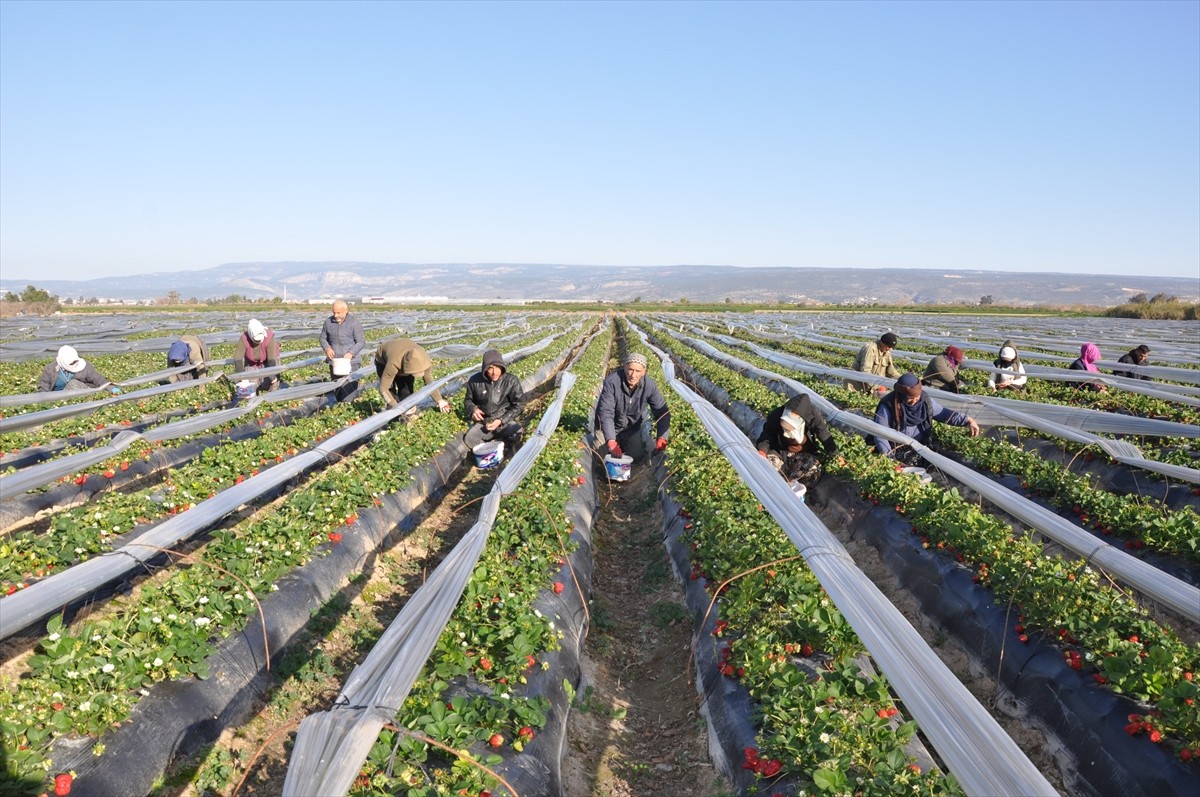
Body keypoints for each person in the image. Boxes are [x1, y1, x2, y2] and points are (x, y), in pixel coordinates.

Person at [873, 373, 980, 464]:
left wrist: (967, 420)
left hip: (920, 447)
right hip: (897, 450)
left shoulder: (925, 401)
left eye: (917, 397)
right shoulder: (889, 406)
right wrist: (891, 459)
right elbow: (881, 435)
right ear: (901, 395)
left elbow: (944, 414)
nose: (915, 401)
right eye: (910, 399)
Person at [596, 352, 670, 464]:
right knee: (604, 458)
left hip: (631, 428)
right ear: (625, 367)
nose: (633, 375)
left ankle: (625, 446)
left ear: (644, 372)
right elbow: (606, 413)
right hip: (610, 425)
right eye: (630, 369)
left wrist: (662, 437)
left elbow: (662, 412)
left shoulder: (649, 386)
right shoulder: (612, 382)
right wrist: (611, 440)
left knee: (634, 456)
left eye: (638, 371)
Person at [755, 393, 844, 486]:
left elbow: (824, 434)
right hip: (781, 452)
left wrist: (836, 456)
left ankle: (799, 488)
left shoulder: (813, 416)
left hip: (804, 454)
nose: (787, 431)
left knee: (813, 472)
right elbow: (766, 437)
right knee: (767, 471)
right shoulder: (777, 415)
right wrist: (762, 453)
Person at [463, 349, 525, 451]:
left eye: (497, 367)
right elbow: (468, 400)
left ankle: (501, 446)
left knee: (516, 432)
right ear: (484, 368)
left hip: (504, 422)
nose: (494, 372)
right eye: (490, 368)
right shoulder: (474, 381)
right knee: (470, 439)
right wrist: (473, 409)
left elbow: (520, 404)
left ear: (502, 366)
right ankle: (492, 447)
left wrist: (501, 420)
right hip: (484, 423)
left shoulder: (511, 381)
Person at [374, 338, 451, 412]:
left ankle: (408, 414)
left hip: (402, 354)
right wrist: (396, 407)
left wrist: (439, 400)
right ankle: (395, 417)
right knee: (391, 392)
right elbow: (383, 389)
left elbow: (429, 383)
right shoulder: (393, 364)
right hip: (383, 360)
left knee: (407, 390)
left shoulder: (424, 361)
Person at [319, 299, 365, 399]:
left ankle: (349, 407)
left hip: (351, 363)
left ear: (346, 310)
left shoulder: (354, 323)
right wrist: (327, 348)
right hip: (335, 363)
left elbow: (361, 341)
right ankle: (340, 407)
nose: (335, 315)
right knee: (337, 391)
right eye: (334, 312)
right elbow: (322, 338)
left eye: (338, 313)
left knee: (348, 392)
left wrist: (350, 353)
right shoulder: (328, 322)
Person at [37, 345, 118, 393]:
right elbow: (44, 386)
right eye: (71, 363)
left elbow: (97, 379)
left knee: (73, 383)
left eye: (75, 362)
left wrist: (111, 387)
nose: (74, 364)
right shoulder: (51, 370)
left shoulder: (85, 367)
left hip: (81, 393)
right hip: (59, 396)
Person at [237, 319, 281, 393]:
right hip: (252, 362)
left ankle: (271, 397)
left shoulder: (269, 337)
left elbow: (271, 359)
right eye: (256, 341)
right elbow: (238, 359)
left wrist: (272, 376)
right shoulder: (244, 338)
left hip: (269, 360)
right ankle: (252, 398)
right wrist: (242, 376)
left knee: (271, 382)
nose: (258, 342)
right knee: (250, 385)